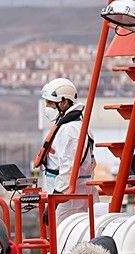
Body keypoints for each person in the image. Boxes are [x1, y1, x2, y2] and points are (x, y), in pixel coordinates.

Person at [35, 77, 97, 222]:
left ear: (63, 103)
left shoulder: (70, 130)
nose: (47, 107)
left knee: (64, 239)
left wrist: (55, 201)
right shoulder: (72, 127)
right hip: (66, 198)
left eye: (50, 103)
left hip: (68, 201)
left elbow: (68, 168)